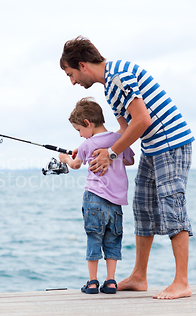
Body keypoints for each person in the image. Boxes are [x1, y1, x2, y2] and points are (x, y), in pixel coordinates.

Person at [59, 35, 195, 300]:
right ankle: (139, 277)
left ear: (83, 64)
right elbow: (123, 130)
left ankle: (181, 282)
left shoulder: (119, 75)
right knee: (143, 207)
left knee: (172, 207)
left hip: (170, 144)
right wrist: (92, 146)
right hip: (152, 148)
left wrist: (110, 154)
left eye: (71, 74)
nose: (73, 81)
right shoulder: (110, 88)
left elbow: (142, 120)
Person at [59, 97, 134, 295]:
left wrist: (65, 158)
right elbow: (130, 160)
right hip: (116, 203)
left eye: (79, 131)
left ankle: (92, 282)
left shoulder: (87, 144)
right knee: (112, 240)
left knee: (94, 238)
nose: (81, 136)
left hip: (93, 199)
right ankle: (110, 282)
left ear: (87, 124)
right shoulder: (119, 140)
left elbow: (75, 165)